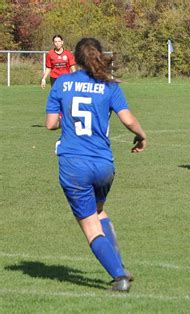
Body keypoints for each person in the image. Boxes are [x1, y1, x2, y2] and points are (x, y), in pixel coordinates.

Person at [45, 37, 147, 291]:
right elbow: (128, 119)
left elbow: (50, 124)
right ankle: (118, 264)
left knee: (90, 226)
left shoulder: (63, 83)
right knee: (99, 210)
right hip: (103, 165)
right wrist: (142, 135)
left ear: (74, 59)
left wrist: (65, 120)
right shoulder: (109, 85)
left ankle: (119, 277)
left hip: (74, 164)